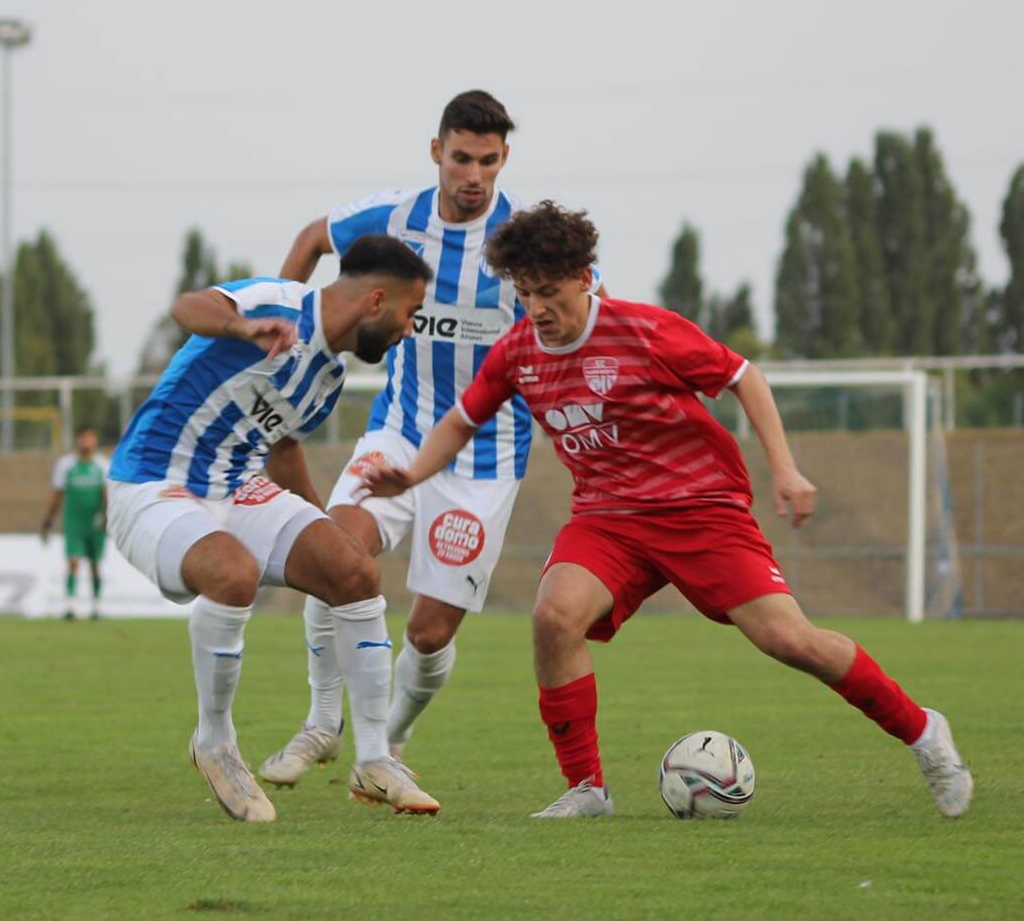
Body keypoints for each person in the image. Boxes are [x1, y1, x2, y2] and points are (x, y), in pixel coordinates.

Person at [361, 200, 973, 819]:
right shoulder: (519, 351)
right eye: (524, 294)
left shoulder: (644, 330)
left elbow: (744, 377)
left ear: (583, 277)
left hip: (701, 510)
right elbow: (462, 421)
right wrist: (410, 475)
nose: (537, 308)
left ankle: (925, 732)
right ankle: (587, 789)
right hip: (608, 518)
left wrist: (785, 468)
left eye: (549, 292)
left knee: (790, 641)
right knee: (554, 618)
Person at [261, 90, 603, 786]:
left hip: (483, 456)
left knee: (427, 633)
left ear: (503, 158)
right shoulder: (394, 217)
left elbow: (581, 310)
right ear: (435, 153)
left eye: (487, 161)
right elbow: (308, 239)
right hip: (399, 428)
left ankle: (387, 740)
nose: (472, 175)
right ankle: (322, 724)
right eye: (459, 158)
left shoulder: (519, 242)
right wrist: (278, 333)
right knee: (332, 551)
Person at [108, 235, 439, 822]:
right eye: (410, 315)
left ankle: (373, 760)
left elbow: (282, 451)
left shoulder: (328, 377)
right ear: (377, 301)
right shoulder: (279, 303)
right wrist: (241, 328)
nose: (409, 330)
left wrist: (324, 532)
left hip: (237, 486)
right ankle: (214, 743)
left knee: (355, 570)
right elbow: (187, 306)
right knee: (232, 572)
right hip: (153, 482)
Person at [40, 426, 110, 619]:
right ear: (77, 440)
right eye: (83, 437)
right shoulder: (66, 465)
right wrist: (48, 521)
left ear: (95, 441)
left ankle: (97, 606)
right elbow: (57, 495)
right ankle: (70, 606)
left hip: (95, 524)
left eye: (90, 437)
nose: (86, 441)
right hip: (74, 523)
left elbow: (107, 495)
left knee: (95, 564)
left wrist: (107, 518)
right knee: (73, 562)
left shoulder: (102, 465)